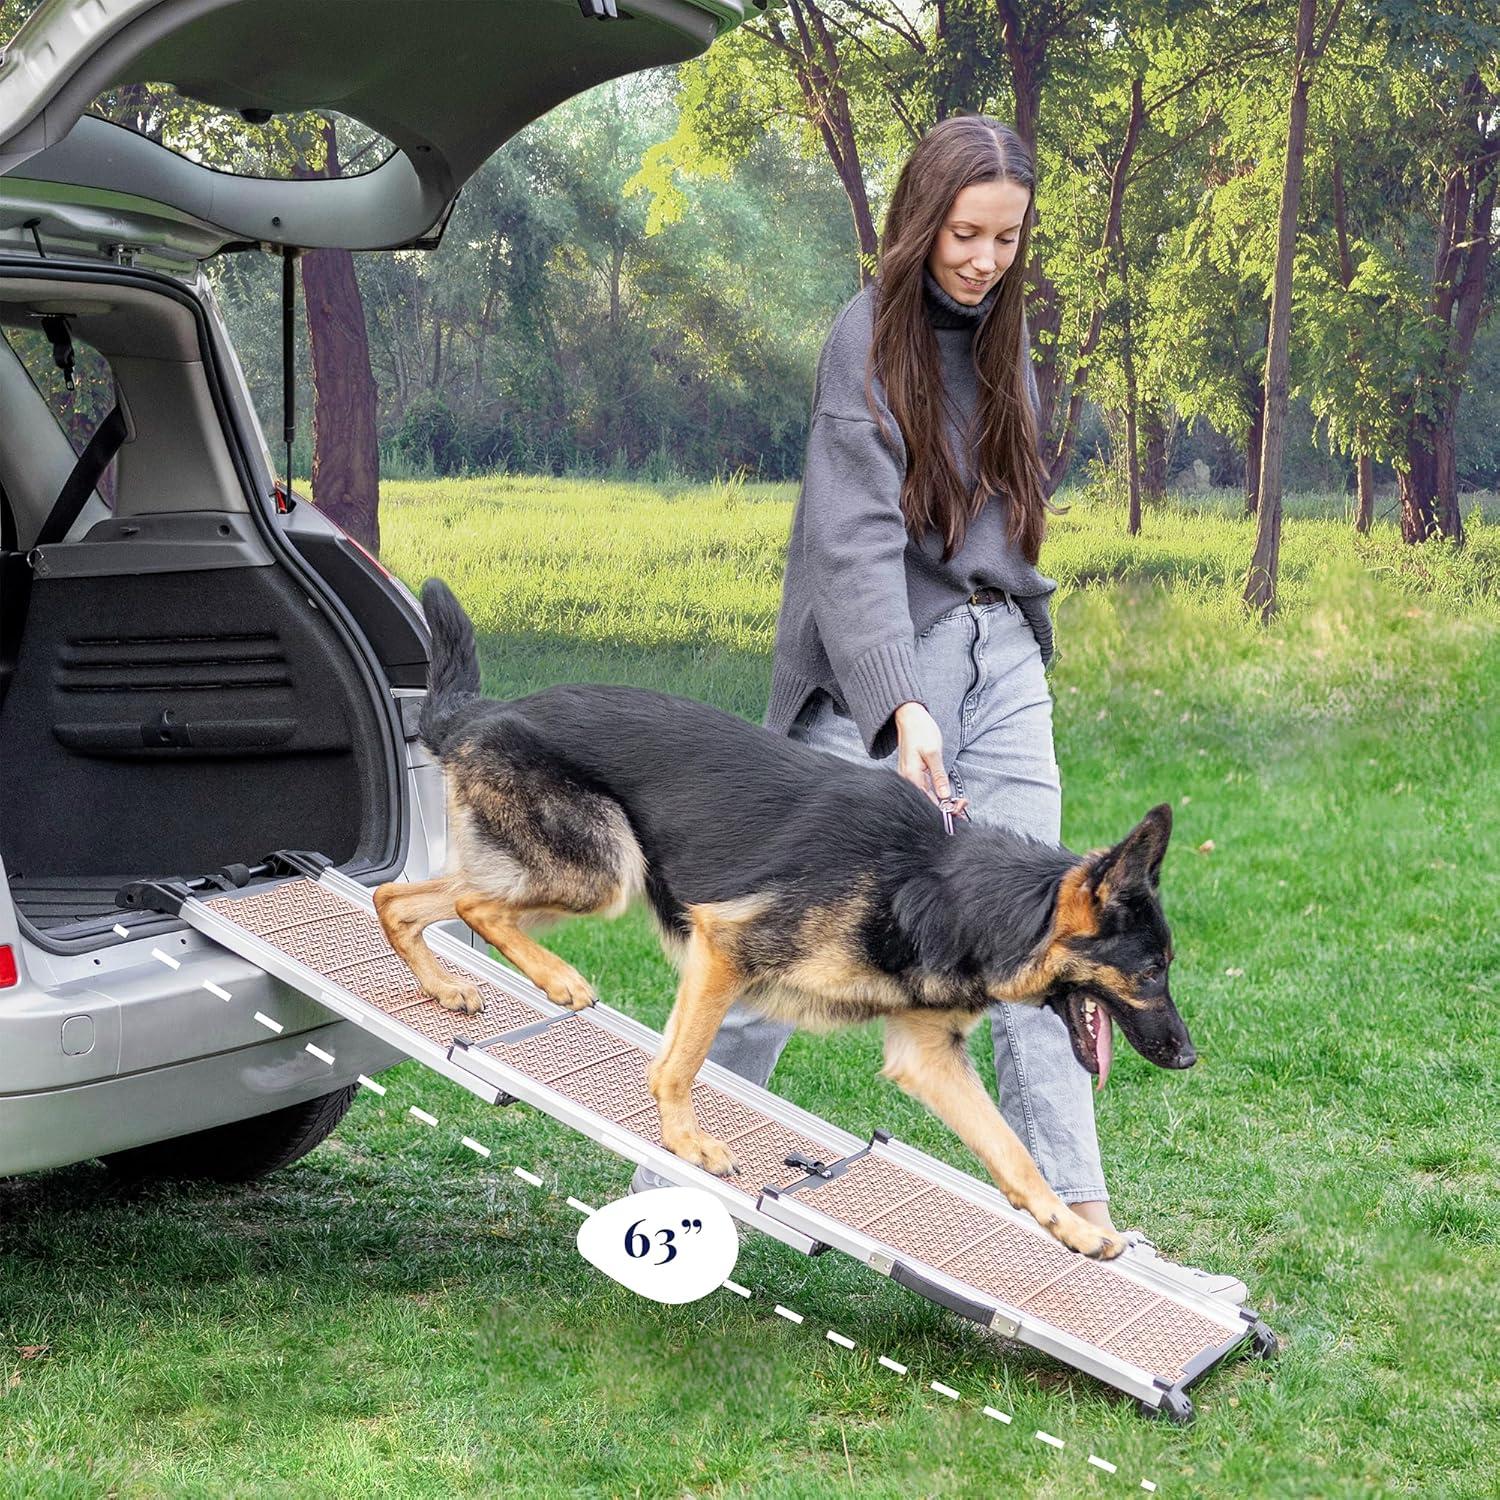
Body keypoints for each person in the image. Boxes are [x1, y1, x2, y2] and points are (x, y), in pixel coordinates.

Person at [635, 115, 1245, 1300]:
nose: (983, 258)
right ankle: (673, 1196)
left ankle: (1082, 1227)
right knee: (775, 942)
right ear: (923, 221)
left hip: (998, 649)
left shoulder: (1007, 334)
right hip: (883, 660)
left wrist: (1001, 628)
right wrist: (900, 709)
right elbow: (853, 546)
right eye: (966, 233)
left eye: (1006, 237)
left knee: (1050, 937)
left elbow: (1001, 505)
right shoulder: (861, 342)